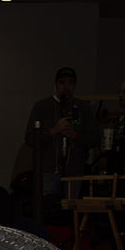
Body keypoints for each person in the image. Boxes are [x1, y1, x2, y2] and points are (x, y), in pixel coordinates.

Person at [25, 66, 97, 214]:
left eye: (70, 83)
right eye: (62, 82)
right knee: (48, 211)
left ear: (75, 85)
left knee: (71, 213)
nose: (66, 87)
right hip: (48, 171)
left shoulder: (84, 108)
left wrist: (75, 136)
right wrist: (53, 131)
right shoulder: (42, 107)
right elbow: (30, 139)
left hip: (74, 171)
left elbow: (95, 139)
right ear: (56, 84)